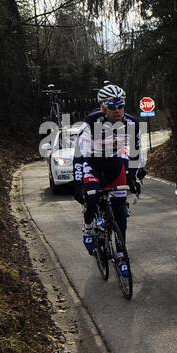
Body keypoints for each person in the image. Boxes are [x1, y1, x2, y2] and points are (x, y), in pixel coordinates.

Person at [75, 83, 141, 275]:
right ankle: (88, 227)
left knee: (120, 212)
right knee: (92, 195)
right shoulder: (91, 122)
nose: (118, 110)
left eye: (121, 105)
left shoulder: (131, 123)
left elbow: (135, 153)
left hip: (114, 162)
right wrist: (79, 184)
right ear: (103, 108)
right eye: (112, 107)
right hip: (93, 162)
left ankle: (121, 253)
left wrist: (133, 178)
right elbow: (80, 155)